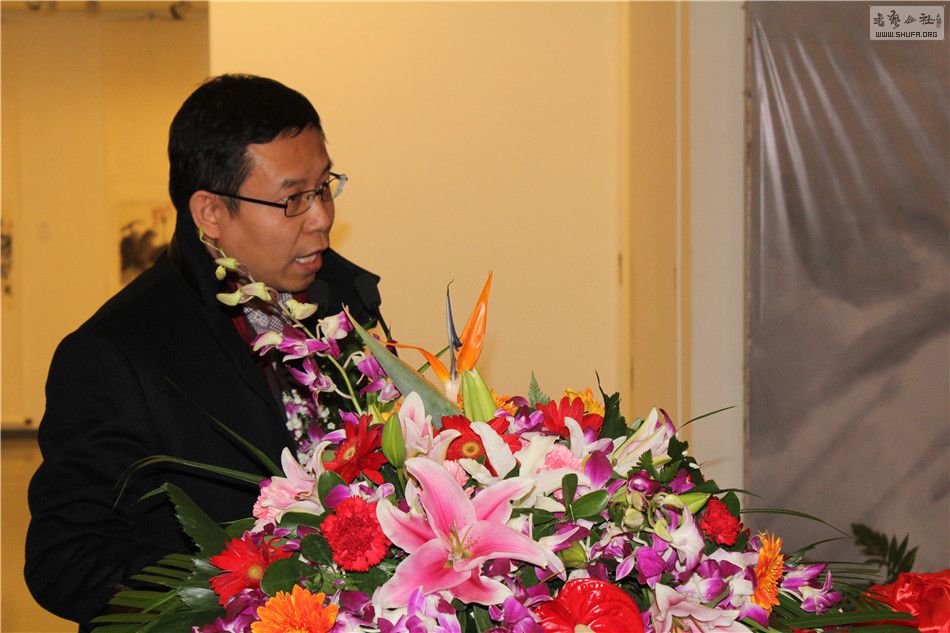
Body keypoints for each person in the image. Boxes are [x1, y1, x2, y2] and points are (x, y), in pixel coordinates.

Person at [24, 74, 385, 630]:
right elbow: (65, 559)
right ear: (210, 213)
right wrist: (229, 600)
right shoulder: (114, 353)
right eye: (293, 199)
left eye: (324, 188)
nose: (321, 218)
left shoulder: (343, 306)